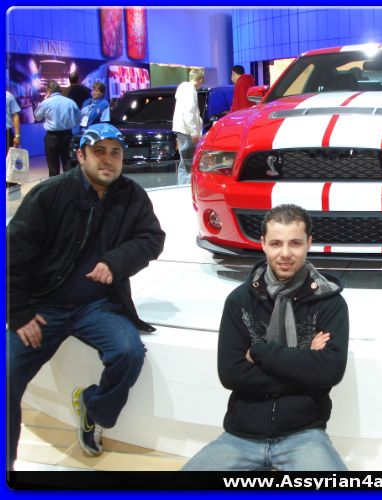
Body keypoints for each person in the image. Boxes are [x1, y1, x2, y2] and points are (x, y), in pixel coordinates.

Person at [6, 123, 166, 470]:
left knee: (128, 352)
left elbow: (152, 239)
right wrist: (18, 313)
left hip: (96, 306)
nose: (108, 160)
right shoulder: (49, 195)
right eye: (99, 152)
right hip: (41, 308)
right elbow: (12, 255)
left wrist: (115, 262)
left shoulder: (132, 196)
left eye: (115, 153)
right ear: (80, 155)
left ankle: (93, 409)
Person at [183, 204, 349, 471]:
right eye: (276, 243)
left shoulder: (329, 302)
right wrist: (305, 366)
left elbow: (330, 372)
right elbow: (231, 374)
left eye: (295, 243)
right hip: (241, 435)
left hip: (304, 435)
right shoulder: (239, 301)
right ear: (263, 244)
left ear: (309, 243)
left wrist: (259, 352)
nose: (285, 253)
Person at [33, 81, 80, 177]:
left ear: (49, 90)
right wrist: (71, 124)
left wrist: (44, 100)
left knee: (53, 166)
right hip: (67, 135)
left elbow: (37, 117)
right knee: (68, 163)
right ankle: (70, 184)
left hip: (52, 137)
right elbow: (78, 117)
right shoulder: (70, 102)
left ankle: (55, 185)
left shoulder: (46, 103)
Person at [172, 68, 204, 185]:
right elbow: (189, 112)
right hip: (187, 132)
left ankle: (182, 186)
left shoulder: (182, 89)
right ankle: (186, 188)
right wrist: (194, 132)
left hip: (182, 131)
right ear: (200, 80)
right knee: (189, 163)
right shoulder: (190, 90)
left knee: (184, 162)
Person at [6, 90, 22, 190]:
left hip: (6, 132)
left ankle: (12, 186)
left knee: (10, 160)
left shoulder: (8, 96)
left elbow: (15, 115)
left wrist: (17, 135)